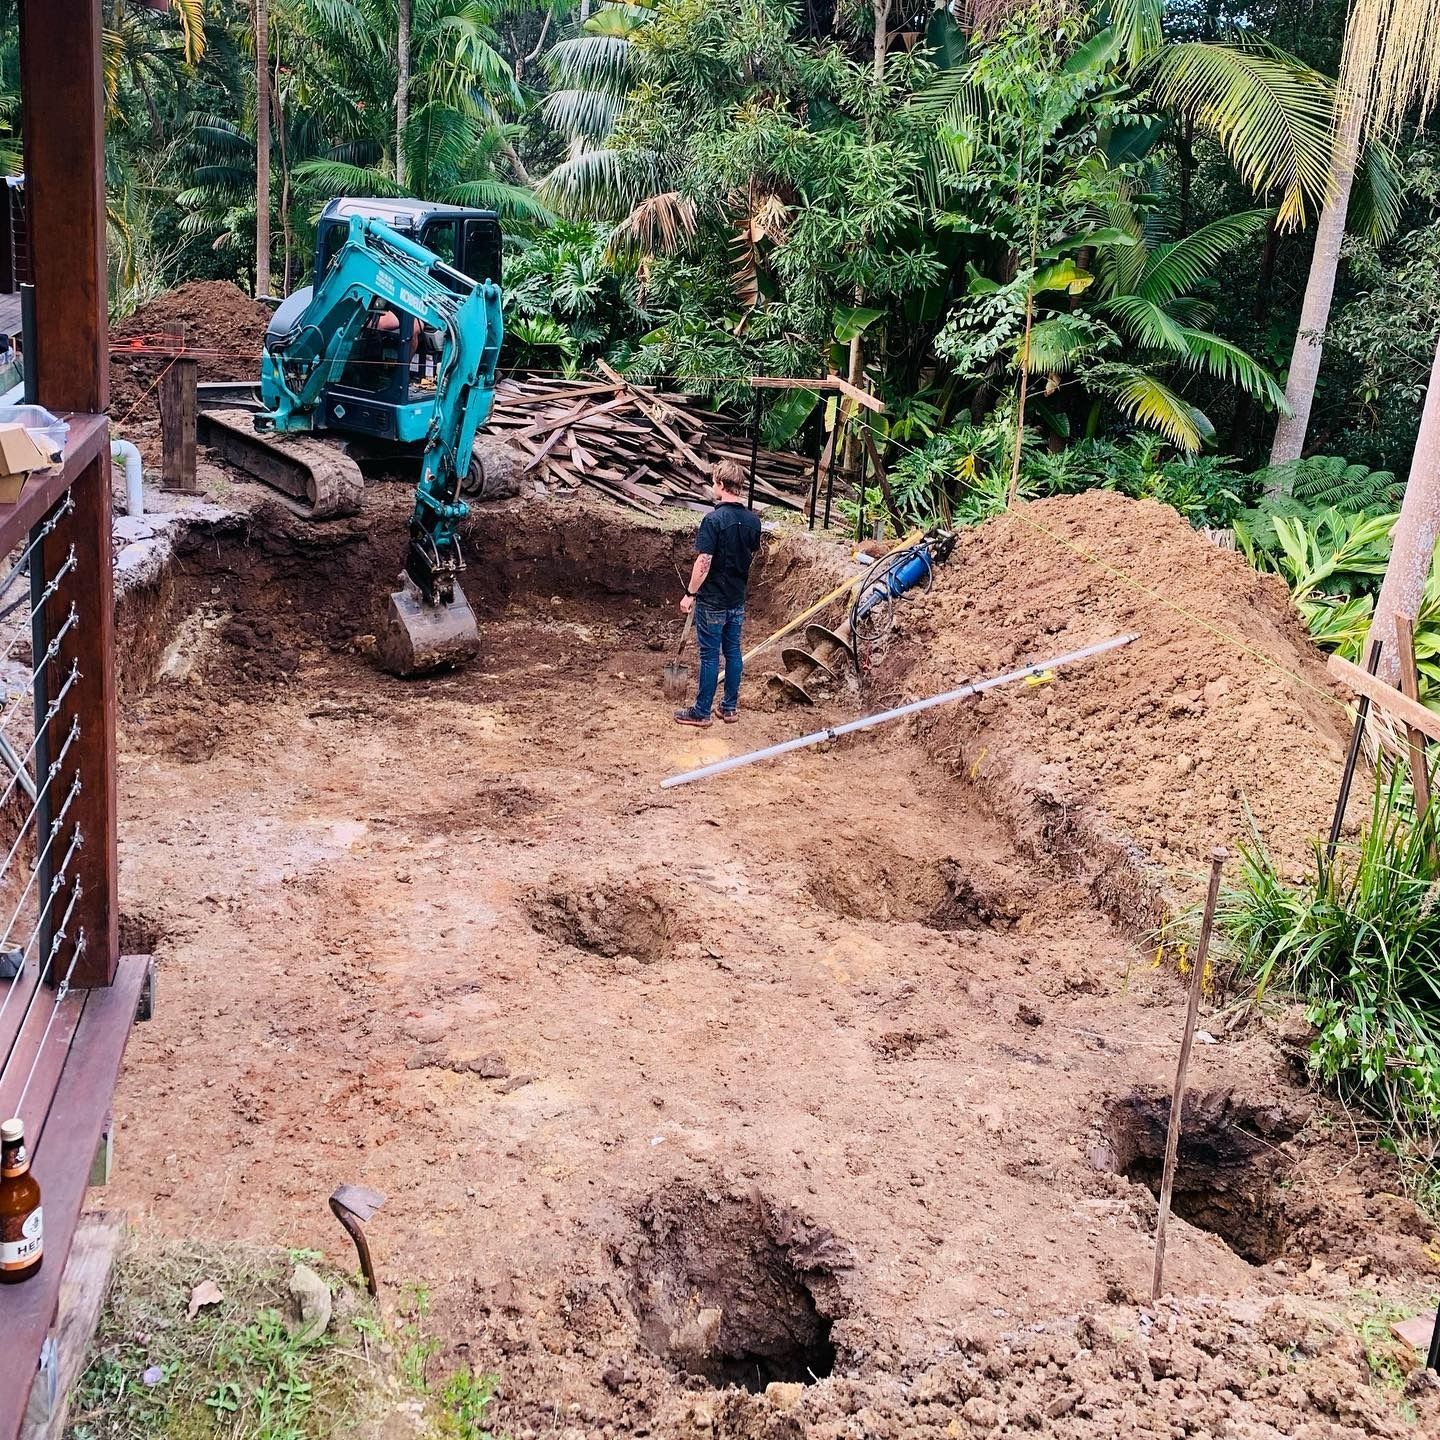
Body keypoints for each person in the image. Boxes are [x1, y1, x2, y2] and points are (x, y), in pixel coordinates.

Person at [674, 460, 762, 728]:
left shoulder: (713, 520)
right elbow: (751, 553)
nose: (713, 487)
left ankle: (701, 712)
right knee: (733, 652)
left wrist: (690, 593)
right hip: (736, 598)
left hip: (713, 600)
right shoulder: (753, 521)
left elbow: (704, 561)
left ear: (721, 485)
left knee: (710, 656)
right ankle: (729, 707)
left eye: (714, 482)